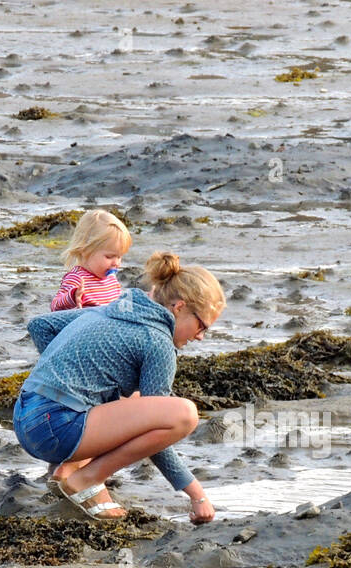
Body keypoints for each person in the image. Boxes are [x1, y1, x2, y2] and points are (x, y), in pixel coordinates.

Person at [15, 251, 223, 524]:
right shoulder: (157, 341)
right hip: (56, 428)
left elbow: (40, 325)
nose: (200, 337)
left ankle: (69, 470)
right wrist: (196, 494)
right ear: (180, 307)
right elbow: (158, 433)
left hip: (25, 417)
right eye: (202, 326)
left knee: (132, 399)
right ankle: (88, 479)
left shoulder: (114, 308)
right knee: (184, 414)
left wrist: (67, 371)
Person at [49, 209, 130, 312]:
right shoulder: (77, 279)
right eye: (109, 257)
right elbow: (54, 306)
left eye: (119, 257)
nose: (116, 263)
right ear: (85, 250)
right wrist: (72, 296)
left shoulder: (111, 279)